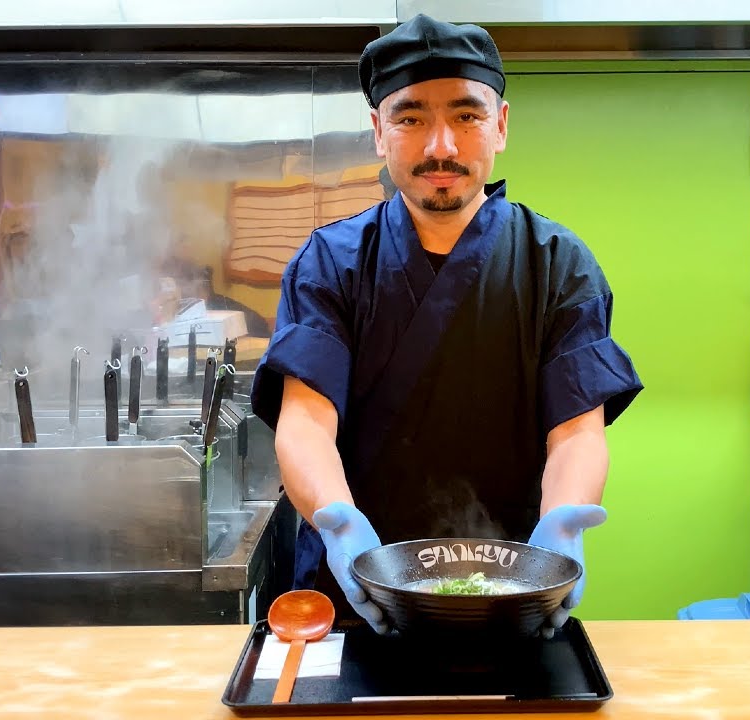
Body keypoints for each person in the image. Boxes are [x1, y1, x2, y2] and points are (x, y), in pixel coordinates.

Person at [250, 14, 643, 636]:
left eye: (466, 116)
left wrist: (564, 523)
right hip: (353, 587)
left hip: (507, 587)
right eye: (410, 118)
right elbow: (305, 423)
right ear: (379, 132)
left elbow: (576, 432)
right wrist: (338, 523)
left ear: (501, 125)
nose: (441, 146)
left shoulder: (559, 264)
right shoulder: (329, 262)